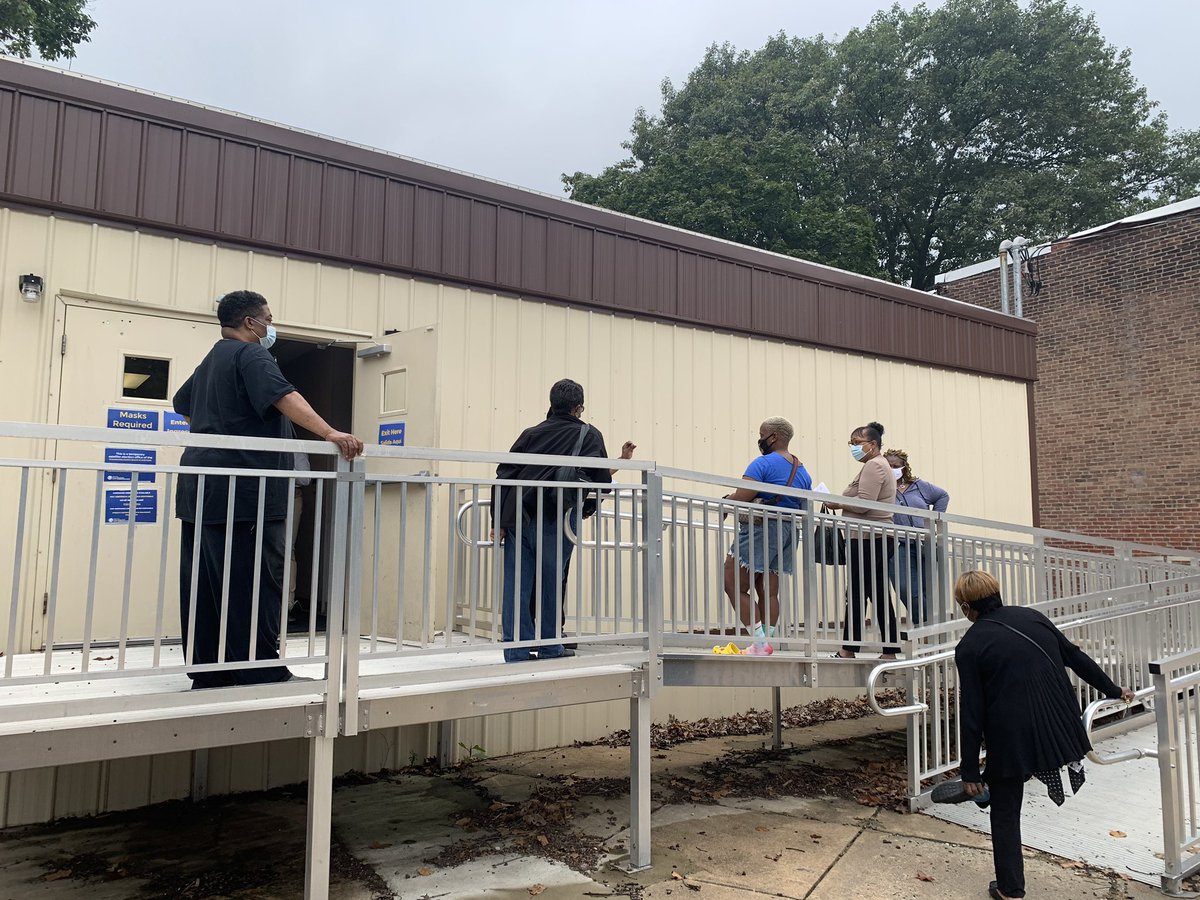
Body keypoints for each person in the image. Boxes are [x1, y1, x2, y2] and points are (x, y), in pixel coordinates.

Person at [173, 290, 363, 688]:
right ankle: (260, 669)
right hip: (247, 490)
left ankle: (209, 672)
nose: (270, 326)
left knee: (206, 582)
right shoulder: (252, 354)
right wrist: (331, 433)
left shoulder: (212, 358)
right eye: (268, 319)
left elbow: (182, 403)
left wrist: (220, 429)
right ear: (250, 323)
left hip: (201, 487)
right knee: (254, 580)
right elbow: (285, 397)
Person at [949, 570, 1134, 900]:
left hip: (1010, 737)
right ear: (997, 593)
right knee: (1005, 792)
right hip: (1057, 725)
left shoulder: (970, 645)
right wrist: (1114, 689)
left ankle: (1011, 889)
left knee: (1005, 810)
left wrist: (969, 771)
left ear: (966, 607)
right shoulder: (1033, 618)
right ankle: (993, 790)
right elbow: (1074, 656)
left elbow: (972, 714)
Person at [492, 379, 613, 663]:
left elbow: (504, 475)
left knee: (516, 586)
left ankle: (516, 650)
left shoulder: (531, 433)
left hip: (518, 518)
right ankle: (549, 647)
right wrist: (588, 508)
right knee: (551, 583)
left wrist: (497, 520)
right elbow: (602, 483)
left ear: (551, 404)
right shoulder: (589, 434)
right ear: (578, 408)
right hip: (558, 518)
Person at [720, 417, 812, 653]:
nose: (759, 439)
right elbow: (804, 505)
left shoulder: (763, 464)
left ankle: (760, 644)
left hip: (761, 528)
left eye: (761, 434)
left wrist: (727, 501)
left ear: (773, 437)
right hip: (789, 531)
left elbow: (742, 496)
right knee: (769, 591)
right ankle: (764, 641)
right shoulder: (801, 471)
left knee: (733, 583)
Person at [827, 421, 899, 659]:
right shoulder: (877, 465)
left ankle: (849, 648)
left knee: (858, 592)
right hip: (871, 537)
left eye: (857, 443)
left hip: (869, 538)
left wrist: (837, 502)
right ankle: (888, 649)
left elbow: (863, 503)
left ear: (873, 444)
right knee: (875, 593)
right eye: (851, 444)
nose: (854, 448)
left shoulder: (874, 466)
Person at [884, 449, 949, 626]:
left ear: (904, 467)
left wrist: (934, 521)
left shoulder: (919, 486)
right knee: (906, 588)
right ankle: (927, 626)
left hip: (924, 543)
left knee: (925, 589)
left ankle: (926, 631)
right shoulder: (883, 488)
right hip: (899, 544)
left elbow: (942, 496)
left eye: (896, 466)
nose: (892, 469)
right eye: (888, 466)